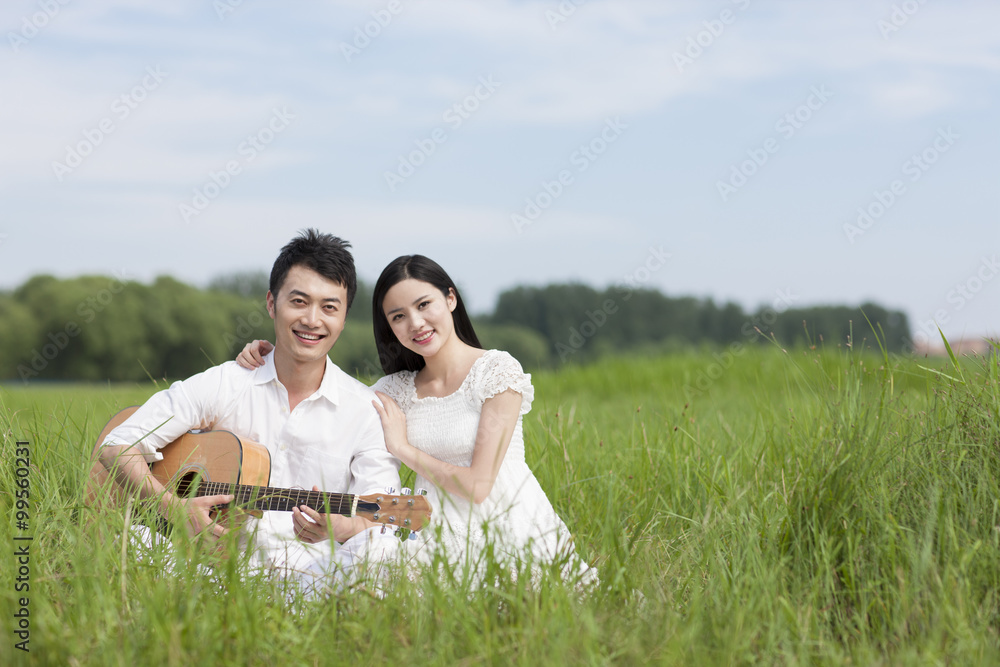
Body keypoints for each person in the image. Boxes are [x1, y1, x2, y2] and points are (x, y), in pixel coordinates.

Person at [238, 254, 596, 586]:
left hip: (506, 521)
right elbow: (334, 394)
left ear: (450, 299)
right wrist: (275, 355)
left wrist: (403, 449)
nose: (416, 323)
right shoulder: (396, 390)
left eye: (424, 305)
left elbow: (478, 487)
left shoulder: (497, 371)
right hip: (427, 526)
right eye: (398, 316)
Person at [98, 229, 400, 595]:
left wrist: (343, 528)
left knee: (383, 551)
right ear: (272, 304)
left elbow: (383, 516)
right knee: (128, 539)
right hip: (209, 565)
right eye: (299, 302)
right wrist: (173, 508)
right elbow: (117, 444)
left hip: (313, 573)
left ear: (344, 316)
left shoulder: (363, 410)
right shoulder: (229, 382)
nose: (312, 319)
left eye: (329, 307)